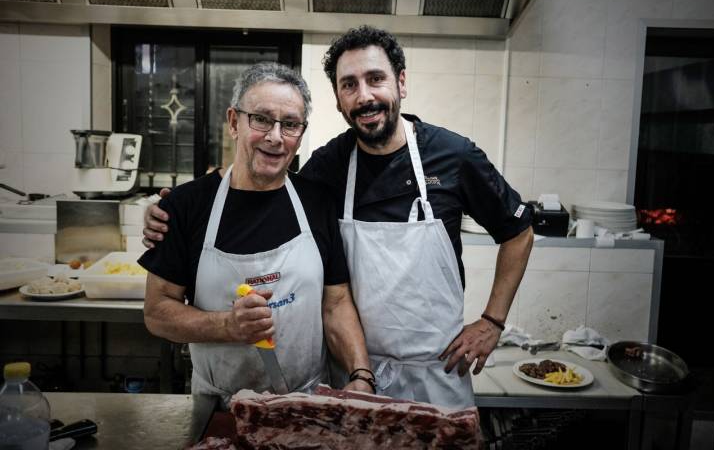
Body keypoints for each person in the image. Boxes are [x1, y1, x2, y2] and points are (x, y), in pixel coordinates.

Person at [144, 27, 534, 409]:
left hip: (437, 370)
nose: (364, 96)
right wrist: (169, 211)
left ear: (401, 83)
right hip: (347, 377)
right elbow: (266, 190)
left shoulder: (453, 156)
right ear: (338, 99)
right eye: (349, 84)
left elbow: (518, 232)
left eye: (375, 79)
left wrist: (492, 322)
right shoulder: (327, 169)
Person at [138, 62, 373, 406]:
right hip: (219, 409)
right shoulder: (186, 206)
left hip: (306, 404)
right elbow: (156, 312)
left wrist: (361, 373)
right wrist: (227, 326)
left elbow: (335, 303)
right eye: (261, 119)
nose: (275, 137)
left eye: (290, 124)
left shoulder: (317, 201)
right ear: (235, 122)